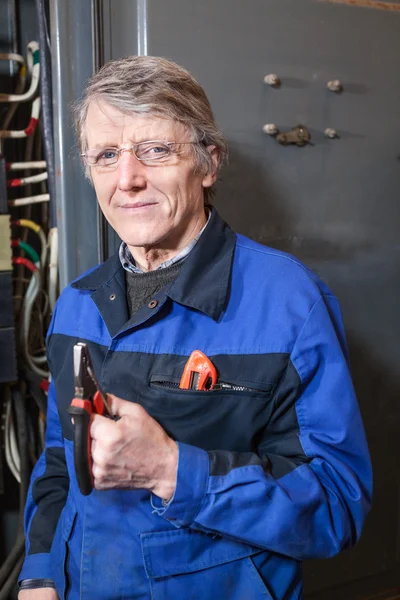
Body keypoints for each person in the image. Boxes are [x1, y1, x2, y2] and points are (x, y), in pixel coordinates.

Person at [18, 56, 372, 600]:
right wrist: (40, 571)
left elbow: (338, 502)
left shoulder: (288, 304)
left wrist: (170, 468)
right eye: (107, 155)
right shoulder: (77, 304)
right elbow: (58, 462)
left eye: (156, 150)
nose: (128, 178)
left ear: (209, 163)